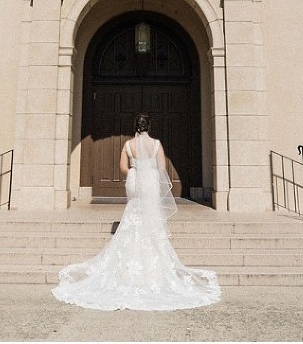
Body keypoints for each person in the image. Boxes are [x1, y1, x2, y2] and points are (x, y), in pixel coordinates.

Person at [52, 113, 221, 310]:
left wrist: (136, 171)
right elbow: (161, 167)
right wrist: (148, 172)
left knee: (134, 213)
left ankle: (127, 266)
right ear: (149, 127)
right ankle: (154, 268)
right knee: (151, 215)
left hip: (135, 180)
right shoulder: (156, 144)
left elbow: (123, 168)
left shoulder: (128, 145)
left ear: (136, 126)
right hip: (150, 181)